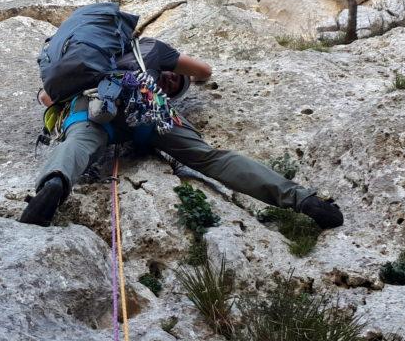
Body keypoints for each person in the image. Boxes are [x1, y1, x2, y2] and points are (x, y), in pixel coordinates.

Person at [19, 37, 343, 228]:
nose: (174, 82)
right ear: (167, 75)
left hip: (92, 106)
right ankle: (302, 199)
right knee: (209, 158)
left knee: (78, 142)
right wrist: (184, 74)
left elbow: (47, 97)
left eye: (176, 86)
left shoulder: (106, 53)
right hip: (148, 114)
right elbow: (204, 71)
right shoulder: (153, 50)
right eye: (175, 79)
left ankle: (54, 185)